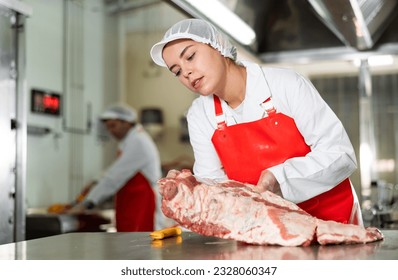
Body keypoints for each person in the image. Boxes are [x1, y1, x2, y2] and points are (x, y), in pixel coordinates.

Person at [150, 18, 363, 225]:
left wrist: (280, 178)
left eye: (190, 56)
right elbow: (214, 184)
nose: (185, 72)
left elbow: (340, 154)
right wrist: (188, 190)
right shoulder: (200, 114)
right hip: (268, 231)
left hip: (333, 222)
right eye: (176, 71)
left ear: (217, 46)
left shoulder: (285, 85)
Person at [72, 103, 171, 231]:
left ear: (127, 122)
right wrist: (93, 182)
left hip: (142, 203)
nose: (111, 131)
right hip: (129, 202)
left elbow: (115, 177)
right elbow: (114, 170)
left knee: (141, 246)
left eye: (113, 126)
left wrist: (88, 202)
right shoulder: (128, 140)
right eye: (108, 128)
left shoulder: (138, 141)